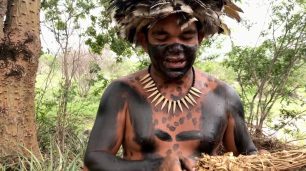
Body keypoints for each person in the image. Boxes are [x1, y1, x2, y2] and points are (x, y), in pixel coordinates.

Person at [84, 0, 257, 170]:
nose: (175, 47)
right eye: (162, 36)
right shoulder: (123, 93)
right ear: (144, 41)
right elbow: (95, 158)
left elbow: (248, 156)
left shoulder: (223, 95)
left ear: (200, 38)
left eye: (186, 36)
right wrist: (155, 167)